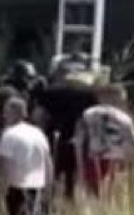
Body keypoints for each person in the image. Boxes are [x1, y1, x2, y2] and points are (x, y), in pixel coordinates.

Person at [29, 59, 100, 205]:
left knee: (51, 177)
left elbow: (38, 116)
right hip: (79, 143)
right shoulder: (89, 95)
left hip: (54, 140)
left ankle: (47, 207)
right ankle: (70, 208)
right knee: (73, 180)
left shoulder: (49, 93)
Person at [0, 96, 52, 215]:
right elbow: (48, 163)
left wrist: (0, 189)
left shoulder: (9, 135)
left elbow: (4, 165)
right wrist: (48, 187)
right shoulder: (38, 134)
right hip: (37, 186)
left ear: (14, 113)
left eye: (6, 112)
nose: (4, 115)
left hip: (16, 187)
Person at [75, 83, 134, 201]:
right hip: (117, 162)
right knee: (115, 198)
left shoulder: (87, 114)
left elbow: (80, 141)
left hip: (94, 159)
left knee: (93, 197)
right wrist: (133, 165)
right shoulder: (123, 117)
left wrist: (80, 165)